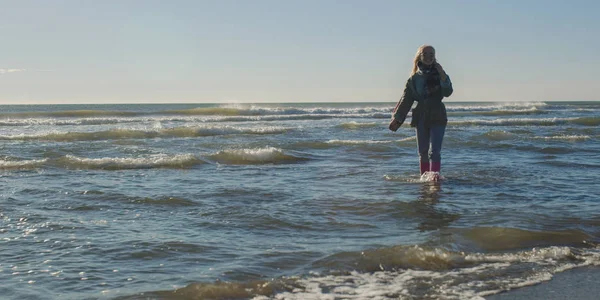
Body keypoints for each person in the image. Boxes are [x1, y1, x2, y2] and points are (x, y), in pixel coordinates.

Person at [389, 45, 453, 179]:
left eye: (432, 54)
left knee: (435, 151)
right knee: (422, 152)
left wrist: (442, 75)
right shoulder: (413, 79)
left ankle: (435, 179)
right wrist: (397, 119)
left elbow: (448, 92)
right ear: (420, 56)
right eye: (426, 53)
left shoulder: (440, 74)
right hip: (421, 116)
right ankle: (424, 179)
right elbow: (406, 100)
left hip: (438, 114)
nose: (429, 56)